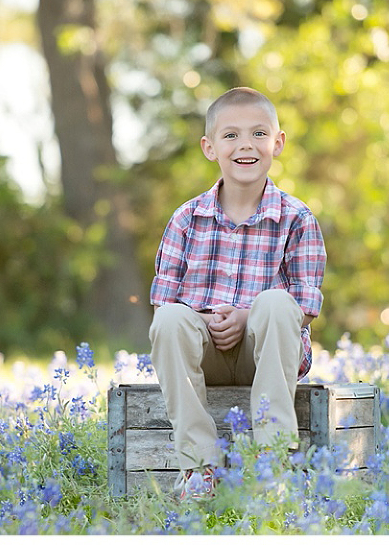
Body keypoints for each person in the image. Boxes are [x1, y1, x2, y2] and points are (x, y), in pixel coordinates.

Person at [149, 86, 327, 501]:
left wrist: (246, 316)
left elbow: (305, 304)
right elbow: (164, 302)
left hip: (264, 352)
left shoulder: (297, 219)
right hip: (205, 354)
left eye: (258, 134)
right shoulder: (186, 218)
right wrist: (208, 320)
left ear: (278, 143)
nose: (245, 145)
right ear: (209, 148)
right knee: (171, 319)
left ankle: (273, 463)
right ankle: (198, 466)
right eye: (230, 136)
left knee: (277, 301)